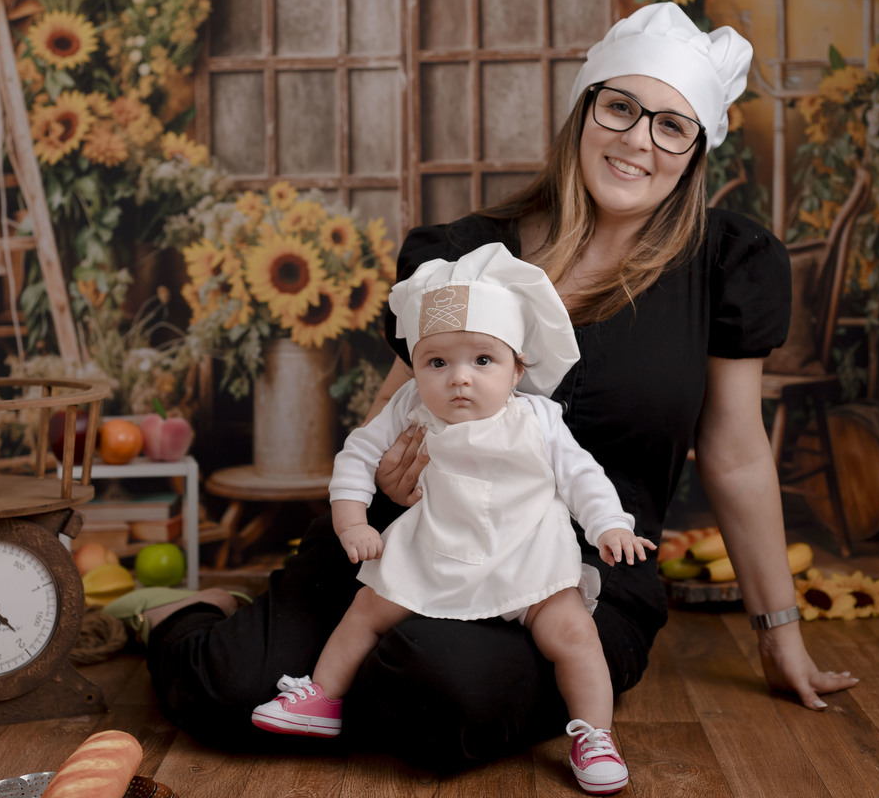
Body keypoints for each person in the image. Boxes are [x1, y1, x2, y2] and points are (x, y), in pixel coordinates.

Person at [140, 0, 858, 776]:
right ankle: (205, 617)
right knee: (226, 688)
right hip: (418, 540)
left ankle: (347, 684)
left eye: (671, 125)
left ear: (696, 149)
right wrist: (386, 480)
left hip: (572, 581)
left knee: (441, 687)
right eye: (620, 108)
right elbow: (396, 407)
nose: (637, 140)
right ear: (585, 110)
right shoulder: (465, 254)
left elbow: (737, 456)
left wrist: (779, 630)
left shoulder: (726, 263)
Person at [250, 243, 654, 794]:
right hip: (437, 548)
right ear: (415, 368)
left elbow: (582, 475)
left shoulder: (538, 417)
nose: (459, 378)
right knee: (366, 608)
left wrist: (609, 524)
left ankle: (594, 734)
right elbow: (357, 455)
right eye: (437, 362)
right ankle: (322, 697)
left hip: (527, 555)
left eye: (482, 360)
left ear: (517, 369)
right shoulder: (409, 406)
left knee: (574, 634)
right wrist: (353, 523)